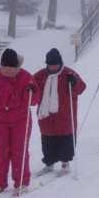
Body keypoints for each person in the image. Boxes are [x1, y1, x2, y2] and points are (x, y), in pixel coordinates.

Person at [0, 48, 39, 197]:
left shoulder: (26, 77)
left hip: (21, 120)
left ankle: (21, 182)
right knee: (1, 151)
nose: (9, 72)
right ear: (1, 66)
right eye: (5, 68)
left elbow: (35, 99)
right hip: (1, 120)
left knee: (19, 150)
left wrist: (32, 91)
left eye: (12, 69)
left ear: (17, 67)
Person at [33, 48, 86, 176]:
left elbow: (82, 87)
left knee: (65, 139)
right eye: (50, 65)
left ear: (60, 63)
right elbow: (31, 86)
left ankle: (65, 163)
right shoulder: (40, 75)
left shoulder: (69, 73)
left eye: (56, 64)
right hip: (46, 116)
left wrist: (74, 82)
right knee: (47, 139)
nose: (53, 67)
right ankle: (49, 163)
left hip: (65, 114)